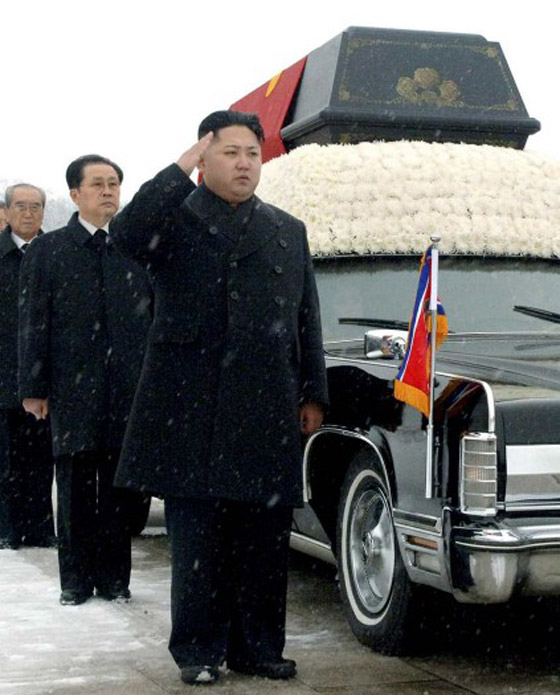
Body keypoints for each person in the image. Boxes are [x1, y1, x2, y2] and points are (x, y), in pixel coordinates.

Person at [110, 110, 328, 685]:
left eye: (252, 153)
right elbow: (126, 234)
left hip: (266, 403)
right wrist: (177, 170)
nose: (243, 164)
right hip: (192, 405)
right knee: (199, 543)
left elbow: (306, 316)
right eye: (230, 152)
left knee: (263, 541)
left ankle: (258, 647)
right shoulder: (173, 220)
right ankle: (199, 650)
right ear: (204, 158)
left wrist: (313, 391)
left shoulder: (286, 229)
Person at [18, 155, 153, 605]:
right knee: (75, 485)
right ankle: (75, 581)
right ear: (75, 194)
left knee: (119, 487)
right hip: (72, 387)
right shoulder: (49, 250)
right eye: (97, 184)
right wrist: (33, 387)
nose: (108, 191)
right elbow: (33, 321)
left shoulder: (134, 248)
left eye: (113, 183)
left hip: (126, 387)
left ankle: (114, 579)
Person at [0, 184, 55, 549]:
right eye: (20, 206)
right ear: (6, 211)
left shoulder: (55, 253)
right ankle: (5, 529)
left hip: (45, 375)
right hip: (4, 370)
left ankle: (39, 528)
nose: (28, 213)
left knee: (40, 459)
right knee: (4, 459)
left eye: (35, 206)